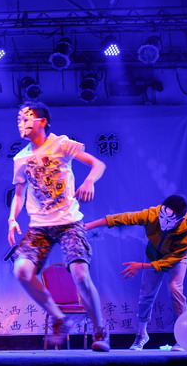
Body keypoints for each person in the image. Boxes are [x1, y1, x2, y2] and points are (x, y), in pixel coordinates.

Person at [7, 101, 110, 352]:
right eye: (19, 120)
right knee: (21, 271)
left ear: (42, 121)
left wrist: (89, 181)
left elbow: (98, 164)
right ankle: (59, 319)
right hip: (39, 226)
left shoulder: (61, 143)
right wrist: (12, 219)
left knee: (81, 276)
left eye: (26, 119)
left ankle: (99, 330)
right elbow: (19, 193)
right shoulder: (21, 158)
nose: (21, 124)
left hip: (69, 222)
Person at [85, 194, 187, 351]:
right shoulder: (152, 214)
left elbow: (170, 261)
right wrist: (89, 225)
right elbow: (124, 218)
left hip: (175, 258)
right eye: (162, 216)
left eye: (169, 220)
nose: (163, 222)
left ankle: (183, 336)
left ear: (178, 220)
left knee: (175, 288)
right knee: (147, 294)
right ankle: (142, 334)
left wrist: (142, 266)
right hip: (154, 253)